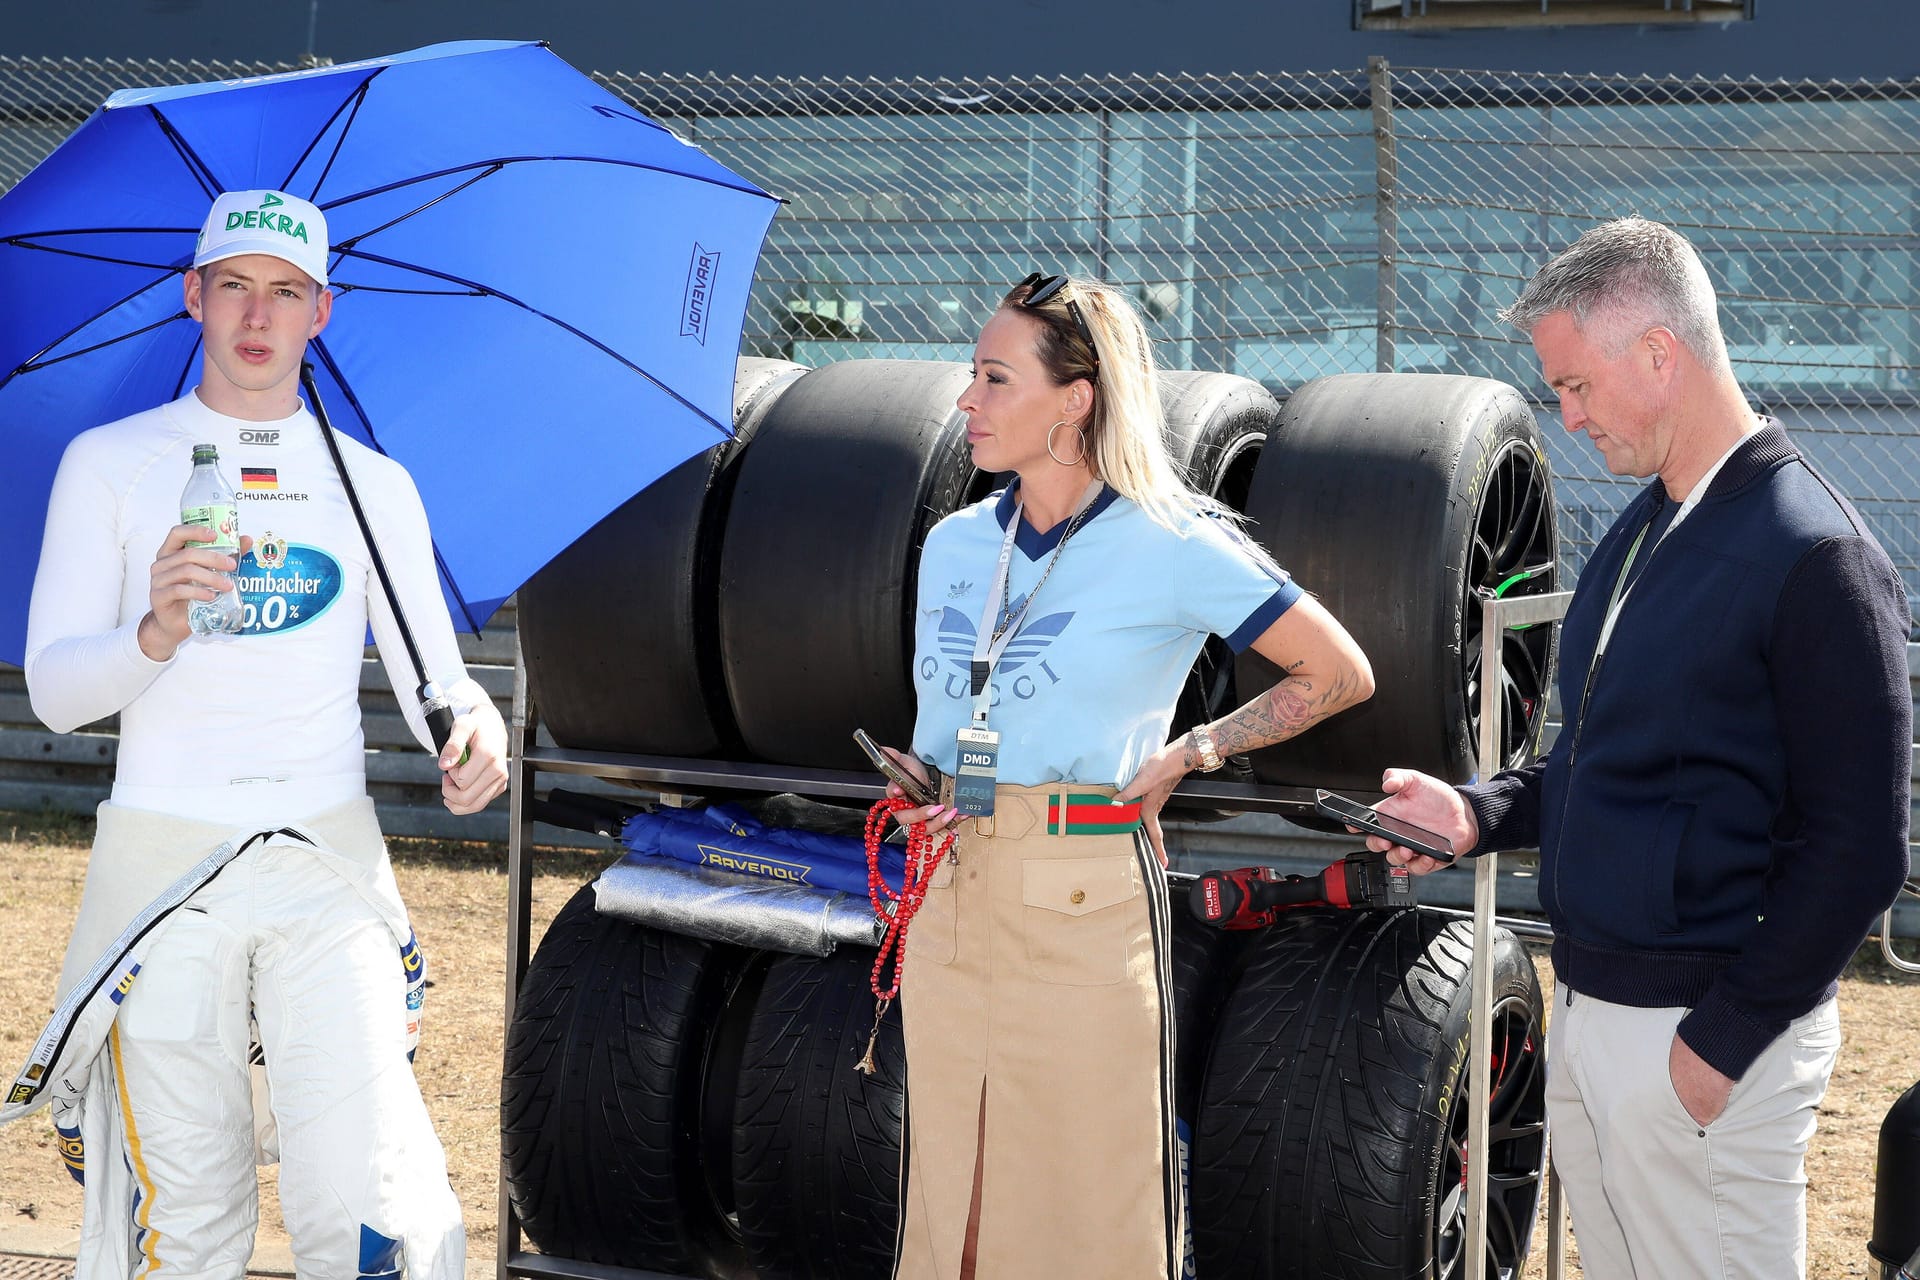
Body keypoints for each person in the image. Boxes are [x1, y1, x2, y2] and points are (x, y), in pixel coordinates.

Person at [1365, 218, 1911, 1278]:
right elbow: (1603, 763)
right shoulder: (1645, 529)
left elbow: (1860, 847)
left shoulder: (1821, 555)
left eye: (1575, 386)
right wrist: (1476, 812)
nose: (1566, 419)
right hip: (1598, 1016)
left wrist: (1717, 1047)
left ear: (1661, 353)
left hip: (1701, 1045)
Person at [13, 190, 507, 1277]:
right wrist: (151, 630)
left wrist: (476, 736)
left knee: (375, 1207)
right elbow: (52, 692)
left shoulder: (373, 484)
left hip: (326, 865)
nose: (257, 313)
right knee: (181, 1223)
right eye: (234, 284)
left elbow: (447, 681)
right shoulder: (111, 461)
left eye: (285, 291)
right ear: (193, 296)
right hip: (159, 873)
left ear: (322, 312)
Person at [876, 272, 1375, 1279]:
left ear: (1078, 397)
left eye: (993, 376)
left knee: (1086, 1213)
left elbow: (1339, 670)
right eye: (970, 376)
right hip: (948, 891)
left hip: (1081, 897)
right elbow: (958, 715)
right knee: (948, 1207)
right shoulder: (954, 543)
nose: (965, 399)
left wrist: (1194, 750)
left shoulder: (1170, 539)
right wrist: (921, 776)